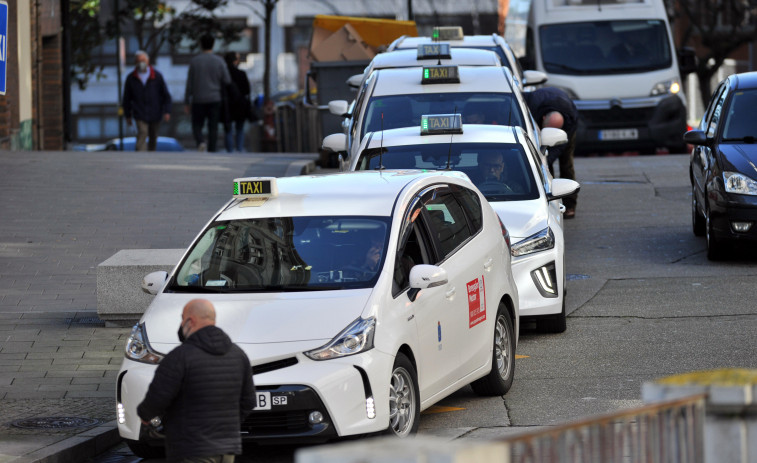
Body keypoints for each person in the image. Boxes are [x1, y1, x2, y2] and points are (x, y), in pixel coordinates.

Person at [137, 299, 256, 463]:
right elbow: (249, 401)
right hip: (227, 448)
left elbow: (157, 398)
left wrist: (145, 415)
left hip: (191, 448)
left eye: (182, 318)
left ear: (190, 321)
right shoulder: (238, 355)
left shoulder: (180, 357)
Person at [524, 87, 579, 218]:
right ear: (543, 119)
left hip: (567, 131)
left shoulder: (570, 118)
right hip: (538, 126)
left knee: (566, 163)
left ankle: (570, 205)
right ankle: (551, 202)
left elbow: (560, 147)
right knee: (544, 163)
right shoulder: (532, 105)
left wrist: (547, 161)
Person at [185, 35, 231, 152]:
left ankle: (200, 142)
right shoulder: (219, 61)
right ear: (213, 44)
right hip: (215, 98)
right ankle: (212, 149)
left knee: (196, 125)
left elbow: (189, 83)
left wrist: (186, 101)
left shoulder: (195, 61)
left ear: (201, 44)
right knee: (213, 127)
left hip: (198, 98)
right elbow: (227, 80)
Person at [122, 51, 172, 151]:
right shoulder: (131, 78)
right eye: (138, 61)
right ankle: (140, 155)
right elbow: (126, 98)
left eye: (143, 60)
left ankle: (151, 157)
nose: (141, 63)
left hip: (155, 112)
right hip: (139, 112)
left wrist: (167, 111)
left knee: (153, 136)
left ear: (148, 61)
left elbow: (166, 95)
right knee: (142, 132)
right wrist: (128, 115)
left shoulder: (157, 76)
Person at [222, 52, 252, 153]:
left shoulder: (223, 74)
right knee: (240, 128)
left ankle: (229, 150)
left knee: (228, 129)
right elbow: (247, 90)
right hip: (240, 104)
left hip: (227, 104)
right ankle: (239, 149)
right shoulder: (241, 74)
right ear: (235, 61)